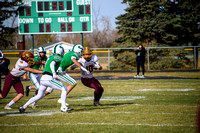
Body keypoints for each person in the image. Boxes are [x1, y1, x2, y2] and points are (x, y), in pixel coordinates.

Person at [19, 45, 73, 113]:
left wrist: (56, 72)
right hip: (48, 78)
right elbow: (52, 64)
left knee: (39, 95)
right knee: (64, 88)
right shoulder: (58, 57)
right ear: (60, 51)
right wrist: (53, 72)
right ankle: (63, 107)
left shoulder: (50, 57)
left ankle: (23, 107)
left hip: (43, 78)